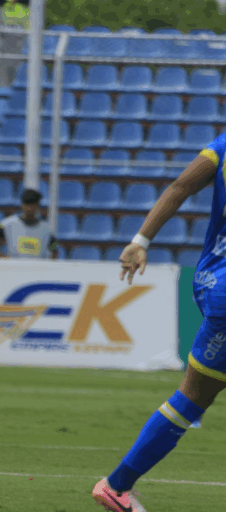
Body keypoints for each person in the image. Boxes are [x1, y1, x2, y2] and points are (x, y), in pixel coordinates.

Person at [91, 134, 226, 511]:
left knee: (193, 398)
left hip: (215, 282)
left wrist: (141, 239)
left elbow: (181, 185)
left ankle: (117, 487)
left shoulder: (223, 145)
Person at [0, 188, 58, 259]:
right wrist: (1, 256)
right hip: (14, 269)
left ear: (38, 206)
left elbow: (54, 249)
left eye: (33, 205)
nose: (30, 209)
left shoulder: (46, 229)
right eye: (27, 205)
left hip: (36, 270)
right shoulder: (7, 223)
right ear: (22, 205)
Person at [0, 0, 30, 86]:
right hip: (8, 41)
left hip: (23, 40)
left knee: (22, 70)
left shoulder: (27, 6)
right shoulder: (6, 5)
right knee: (6, 70)